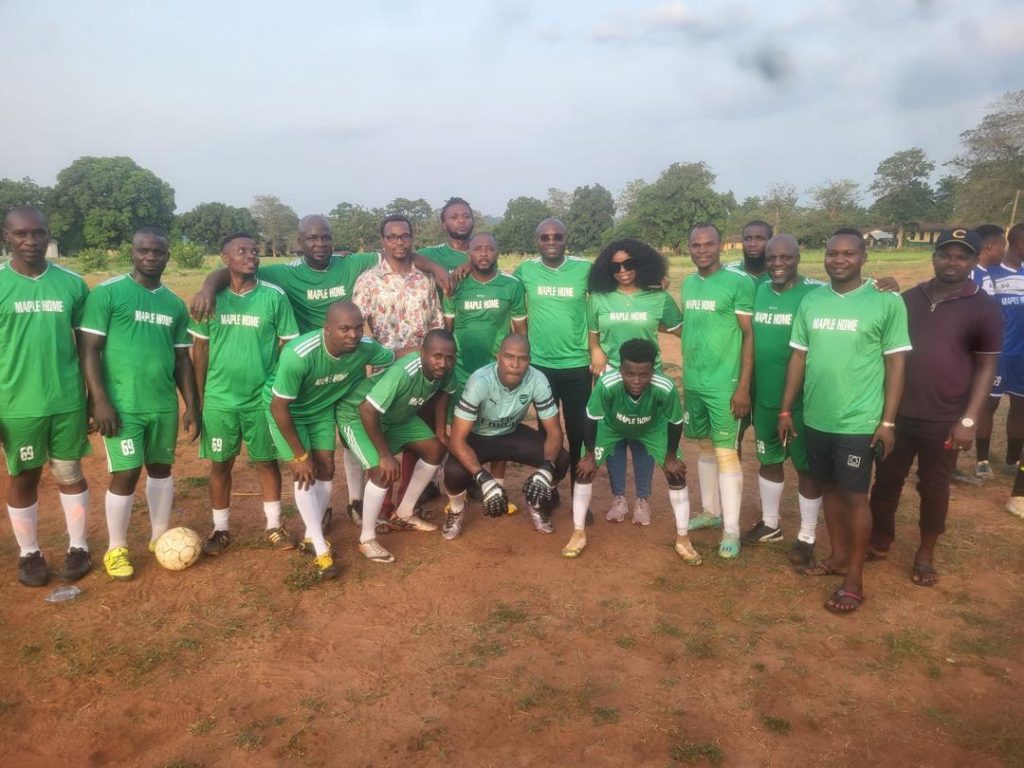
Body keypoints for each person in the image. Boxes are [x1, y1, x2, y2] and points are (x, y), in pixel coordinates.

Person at [191, 214, 448, 528]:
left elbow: (401, 251)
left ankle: (370, 504)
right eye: (312, 238)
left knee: (353, 438)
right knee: (336, 443)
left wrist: (435, 267)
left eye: (325, 237)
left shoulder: (351, 265)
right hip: (310, 368)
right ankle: (350, 503)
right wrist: (207, 287)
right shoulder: (285, 274)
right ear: (300, 242)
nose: (320, 244)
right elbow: (236, 265)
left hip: (354, 365)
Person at [778, 228, 911, 614]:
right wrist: (787, 409)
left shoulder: (886, 301)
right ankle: (836, 558)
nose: (838, 260)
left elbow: (896, 363)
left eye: (848, 254)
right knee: (829, 489)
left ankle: (854, 578)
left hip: (859, 421)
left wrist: (887, 421)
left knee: (855, 496)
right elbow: (799, 357)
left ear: (863, 257)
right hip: (818, 417)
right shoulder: (813, 300)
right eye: (832, 253)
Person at [869, 229, 1001, 584]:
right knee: (885, 483)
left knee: (934, 487)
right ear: (934, 257)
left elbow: (987, 366)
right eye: (946, 254)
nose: (952, 262)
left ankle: (925, 553)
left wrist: (970, 420)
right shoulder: (909, 299)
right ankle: (880, 539)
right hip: (897, 413)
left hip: (945, 418)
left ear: (974, 261)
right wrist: (885, 289)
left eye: (961, 256)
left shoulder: (982, 308)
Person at [80, 227, 200, 581]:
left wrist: (190, 404)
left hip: (161, 403)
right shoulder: (108, 293)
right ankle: (116, 547)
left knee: (162, 468)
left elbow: (182, 361)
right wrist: (99, 400)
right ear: (131, 252)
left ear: (167, 256)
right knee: (126, 472)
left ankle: (158, 535)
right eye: (143, 251)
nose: (150, 257)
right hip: (122, 403)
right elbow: (89, 350)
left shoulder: (175, 304)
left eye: (157, 252)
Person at [188, 233, 300, 556]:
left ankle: (274, 526)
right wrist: (198, 400)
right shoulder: (210, 299)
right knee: (220, 464)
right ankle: (220, 530)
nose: (251, 255)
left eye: (254, 251)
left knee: (266, 462)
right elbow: (200, 350)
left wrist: (274, 386)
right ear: (225, 259)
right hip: (220, 401)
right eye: (242, 251)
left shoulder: (274, 297)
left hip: (258, 399)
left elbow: (287, 344)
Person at [266, 301, 394, 579]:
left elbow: (391, 360)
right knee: (305, 472)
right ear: (327, 329)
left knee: (326, 468)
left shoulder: (367, 347)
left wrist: (360, 392)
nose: (353, 335)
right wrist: (299, 456)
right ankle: (321, 549)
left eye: (358, 328)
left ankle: (313, 536)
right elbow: (279, 407)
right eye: (344, 329)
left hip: (322, 409)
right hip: (289, 411)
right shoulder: (299, 355)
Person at [0, 206, 92, 587]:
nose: (31, 241)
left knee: (70, 473)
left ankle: (79, 547)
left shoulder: (72, 284)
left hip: (66, 400)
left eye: (38, 233)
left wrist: (93, 397)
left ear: (48, 234)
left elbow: (88, 347)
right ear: (7, 236)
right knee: (24, 476)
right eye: (21, 234)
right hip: (15, 405)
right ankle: (30, 553)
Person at [561, 338, 698, 563]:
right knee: (584, 471)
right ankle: (578, 533)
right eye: (629, 373)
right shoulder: (607, 383)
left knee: (676, 474)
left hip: (651, 428)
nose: (636, 380)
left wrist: (671, 456)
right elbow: (591, 417)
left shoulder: (665, 387)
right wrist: (589, 455)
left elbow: (674, 421)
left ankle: (683, 538)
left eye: (643, 375)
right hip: (611, 427)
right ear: (620, 369)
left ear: (653, 371)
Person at [337, 329, 456, 563]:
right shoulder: (404, 371)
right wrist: (384, 455)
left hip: (395, 415)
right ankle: (367, 540)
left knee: (435, 449)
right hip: (357, 414)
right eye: (437, 356)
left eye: (449, 357)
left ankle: (404, 514)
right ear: (422, 353)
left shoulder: (447, 370)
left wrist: (441, 432)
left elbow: (445, 394)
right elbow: (367, 409)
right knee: (382, 472)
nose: (443, 363)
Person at [587, 238, 681, 525]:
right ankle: (619, 499)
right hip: (611, 378)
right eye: (615, 266)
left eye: (629, 263)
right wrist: (597, 353)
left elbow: (678, 329)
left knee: (641, 440)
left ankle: (642, 500)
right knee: (615, 441)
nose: (623, 270)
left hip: (646, 379)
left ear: (642, 263)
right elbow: (593, 337)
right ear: (607, 269)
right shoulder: (599, 298)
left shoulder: (658, 297)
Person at [741, 234, 823, 565]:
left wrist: (881, 283)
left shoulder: (814, 293)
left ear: (798, 258)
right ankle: (771, 524)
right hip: (764, 397)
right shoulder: (760, 290)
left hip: (801, 401)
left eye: (785, 257)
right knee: (769, 460)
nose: (777, 263)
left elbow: (855, 291)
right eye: (772, 257)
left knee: (806, 467)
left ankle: (807, 534)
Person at [443, 334, 571, 539]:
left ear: (529, 360)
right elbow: (457, 440)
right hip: (479, 437)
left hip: (511, 433)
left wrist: (546, 468)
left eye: (522, 358)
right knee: (453, 472)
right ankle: (457, 509)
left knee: (562, 459)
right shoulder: (480, 381)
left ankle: (535, 500)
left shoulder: (537, 379)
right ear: (498, 357)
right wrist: (483, 478)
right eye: (509, 357)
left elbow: (554, 431)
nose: (515, 364)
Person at [680, 223, 755, 559]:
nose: (702, 250)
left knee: (726, 452)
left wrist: (742, 387)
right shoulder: (688, 283)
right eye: (696, 245)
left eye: (708, 244)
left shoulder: (739, 283)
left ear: (721, 246)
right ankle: (711, 512)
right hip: (694, 382)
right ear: (689, 248)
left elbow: (749, 336)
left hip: (724, 384)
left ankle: (732, 530)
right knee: (705, 447)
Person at [513, 218, 593, 515]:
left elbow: (618, 278)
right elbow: (499, 281)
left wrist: (655, 279)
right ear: (537, 240)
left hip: (577, 365)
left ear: (565, 239)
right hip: (541, 367)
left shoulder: (584, 268)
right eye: (545, 236)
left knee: (579, 434)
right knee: (548, 434)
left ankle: (580, 500)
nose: (551, 241)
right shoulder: (526, 270)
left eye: (557, 236)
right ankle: (548, 492)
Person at [975, 225, 1024, 483]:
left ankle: (1012, 459)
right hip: (999, 353)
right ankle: (981, 460)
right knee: (989, 404)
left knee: (1020, 405)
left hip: (1023, 354)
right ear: (1019, 244)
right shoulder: (990, 274)